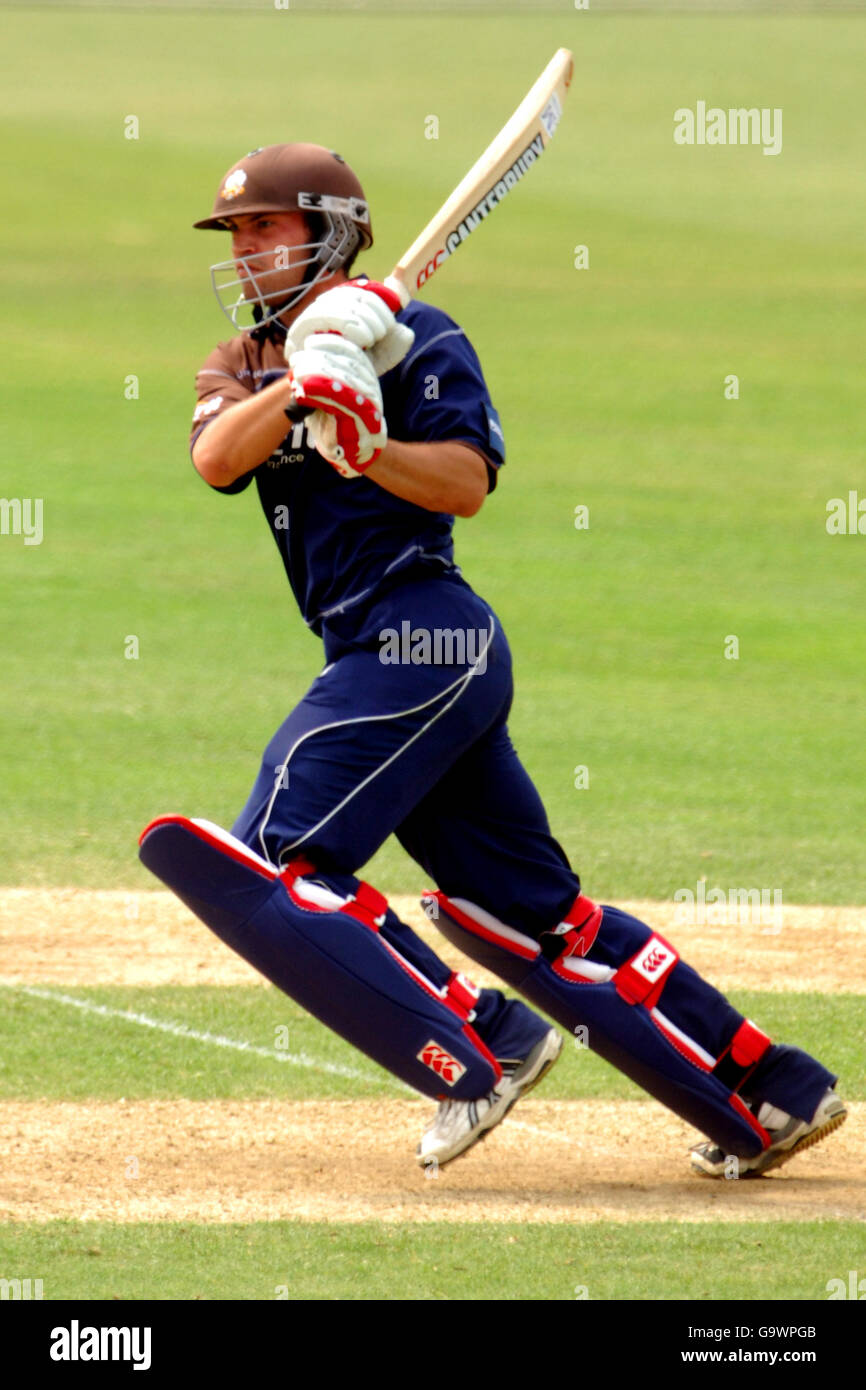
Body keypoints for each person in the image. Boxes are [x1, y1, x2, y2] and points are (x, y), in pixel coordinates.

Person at [140, 142, 846, 1179]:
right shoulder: (247, 361)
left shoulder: (420, 335)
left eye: (262, 230)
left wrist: (366, 441)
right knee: (529, 914)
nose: (243, 252)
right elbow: (213, 458)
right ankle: (766, 1090)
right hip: (381, 653)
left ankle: (485, 1041)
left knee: (273, 861)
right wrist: (306, 387)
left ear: (328, 231)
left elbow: (465, 482)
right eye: (234, 235)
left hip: (424, 639)